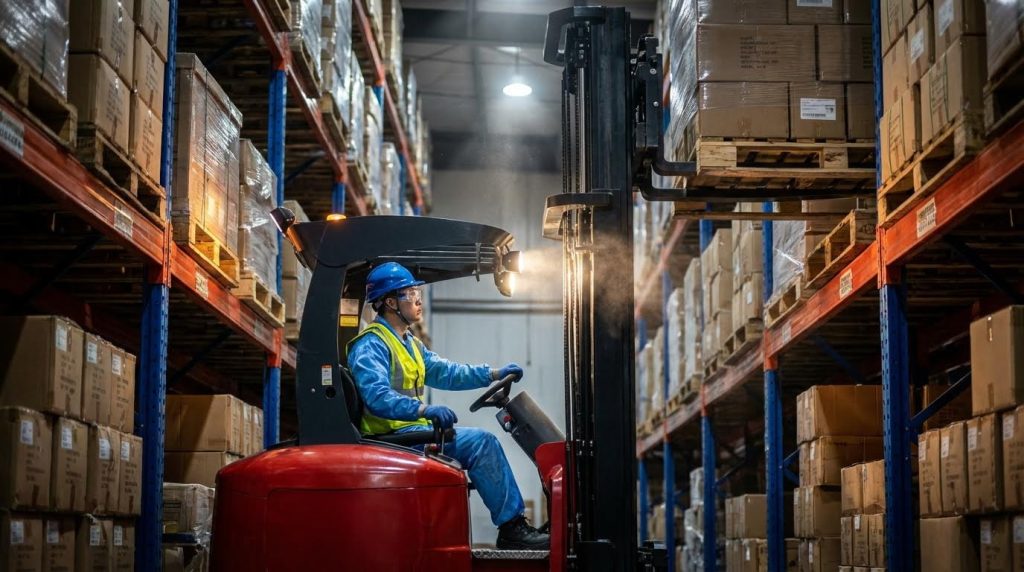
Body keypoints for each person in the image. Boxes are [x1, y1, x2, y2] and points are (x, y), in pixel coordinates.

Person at [347, 262, 550, 550]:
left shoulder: (409, 343)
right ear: (391, 302)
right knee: (482, 443)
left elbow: (448, 372)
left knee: (479, 441)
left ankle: (513, 525)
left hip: (411, 433)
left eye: (417, 292)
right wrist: (423, 411)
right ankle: (512, 529)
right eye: (411, 294)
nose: (418, 300)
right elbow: (376, 395)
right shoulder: (371, 345)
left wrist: (493, 374)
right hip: (392, 440)